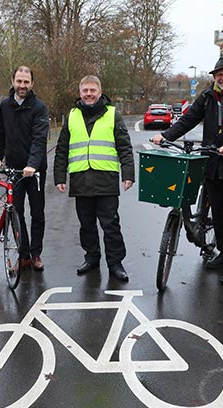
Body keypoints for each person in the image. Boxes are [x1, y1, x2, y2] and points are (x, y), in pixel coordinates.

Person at [152, 56, 223, 285]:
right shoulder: (207, 96)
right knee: (220, 213)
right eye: (219, 74)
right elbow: (188, 120)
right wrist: (166, 136)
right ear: (214, 76)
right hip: (212, 164)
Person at [54, 75, 135, 281]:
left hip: (106, 179)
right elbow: (62, 149)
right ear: (80, 93)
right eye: (85, 91)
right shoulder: (71, 116)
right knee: (86, 224)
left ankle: (115, 263)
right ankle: (91, 258)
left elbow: (124, 146)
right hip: (81, 180)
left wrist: (128, 174)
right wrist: (59, 177)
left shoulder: (112, 114)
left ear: (100, 92)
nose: (89, 94)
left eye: (92, 90)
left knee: (110, 224)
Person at [0, 66, 49, 271]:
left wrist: (32, 164)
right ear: (13, 81)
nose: (22, 85)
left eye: (26, 82)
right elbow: (1, 134)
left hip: (35, 171)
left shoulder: (39, 108)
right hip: (14, 169)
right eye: (19, 81)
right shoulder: (5, 105)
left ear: (32, 84)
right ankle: (23, 255)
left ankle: (36, 253)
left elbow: (39, 140)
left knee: (37, 212)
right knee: (16, 211)